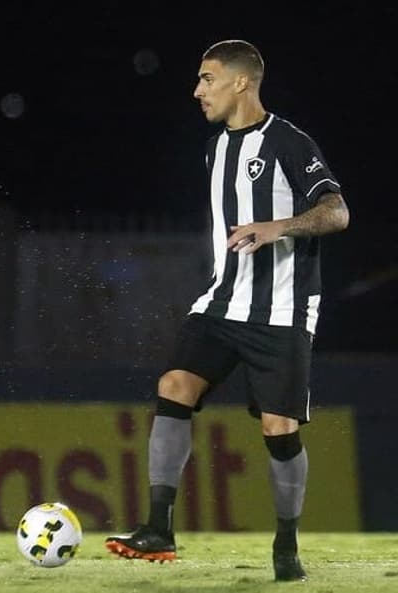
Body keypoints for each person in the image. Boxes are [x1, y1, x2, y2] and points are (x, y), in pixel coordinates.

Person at [104, 39, 350, 582]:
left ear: (241, 82)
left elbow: (337, 211)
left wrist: (277, 228)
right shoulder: (215, 148)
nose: (197, 90)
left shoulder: (288, 141)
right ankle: (157, 530)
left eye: (206, 78)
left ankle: (286, 549)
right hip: (220, 303)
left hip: (281, 311)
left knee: (279, 427)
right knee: (174, 385)